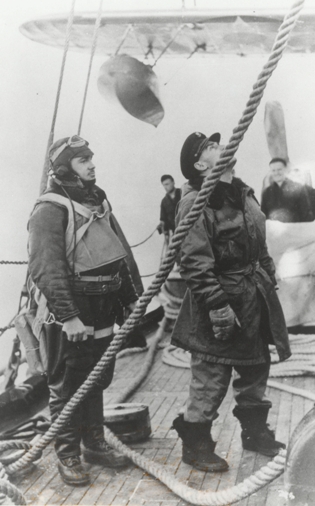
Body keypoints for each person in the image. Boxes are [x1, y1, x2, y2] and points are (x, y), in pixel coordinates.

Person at [171, 131, 291, 473]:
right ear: (199, 164)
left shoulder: (241, 192)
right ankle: (195, 445)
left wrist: (268, 275)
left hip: (253, 297)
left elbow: (259, 240)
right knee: (211, 376)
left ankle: (254, 434)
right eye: (211, 146)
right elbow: (193, 261)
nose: (220, 146)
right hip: (221, 301)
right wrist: (217, 305)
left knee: (256, 367)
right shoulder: (195, 201)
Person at [28, 135, 138, 486]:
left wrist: (132, 300)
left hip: (103, 307)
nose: (92, 163)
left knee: (97, 378)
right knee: (68, 383)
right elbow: (47, 269)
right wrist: (68, 316)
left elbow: (120, 255)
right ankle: (68, 454)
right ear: (64, 168)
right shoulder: (49, 209)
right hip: (71, 311)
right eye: (82, 159)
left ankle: (94, 443)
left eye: (91, 157)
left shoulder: (98, 202)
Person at [261, 158, 314, 222]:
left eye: (279, 169)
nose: (276, 173)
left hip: (295, 229)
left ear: (285, 170)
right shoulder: (267, 192)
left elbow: (306, 216)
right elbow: (264, 216)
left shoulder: (298, 188)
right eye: (273, 170)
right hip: (274, 231)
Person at [157, 175, 181, 244]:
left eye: (167, 184)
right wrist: (166, 233)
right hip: (176, 234)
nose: (165, 187)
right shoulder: (164, 201)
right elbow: (163, 219)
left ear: (173, 182)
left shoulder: (183, 193)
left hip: (191, 228)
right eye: (164, 185)